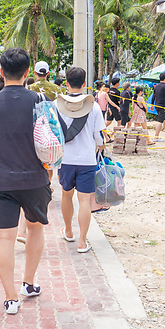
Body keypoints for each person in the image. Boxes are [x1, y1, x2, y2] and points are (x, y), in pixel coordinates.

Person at [0, 47, 51, 315]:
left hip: (1, 180)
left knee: (5, 239)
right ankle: (29, 283)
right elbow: (53, 137)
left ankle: (10, 298)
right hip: (35, 178)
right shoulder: (40, 100)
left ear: (2, 71)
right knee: (35, 229)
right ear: (28, 72)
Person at [56, 67, 105, 254]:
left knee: (66, 195)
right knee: (84, 200)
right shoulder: (92, 106)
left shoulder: (56, 104)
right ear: (84, 84)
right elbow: (98, 136)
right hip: (87, 160)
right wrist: (101, 148)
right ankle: (83, 242)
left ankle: (68, 231)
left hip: (65, 160)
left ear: (66, 83)